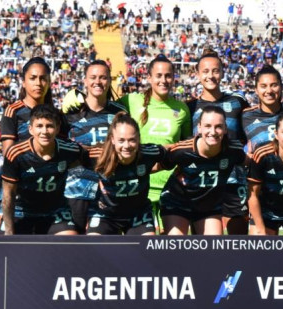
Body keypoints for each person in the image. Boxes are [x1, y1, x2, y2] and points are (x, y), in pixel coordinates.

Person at [118, 54, 191, 230]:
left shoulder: (182, 109)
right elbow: (103, 109)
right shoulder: (131, 101)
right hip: (139, 186)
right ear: (149, 77)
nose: (163, 80)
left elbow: (187, 148)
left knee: (171, 248)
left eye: (168, 75)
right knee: (142, 250)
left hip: (170, 186)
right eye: (158, 75)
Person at [187, 50, 250, 234]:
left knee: (238, 241)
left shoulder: (238, 102)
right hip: (201, 183)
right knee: (207, 246)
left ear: (222, 72)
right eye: (205, 71)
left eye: (215, 71)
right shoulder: (190, 107)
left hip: (233, 179)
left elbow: (249, 133)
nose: (210, 76)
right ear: (197, 74)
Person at [61, 60, 128, 233]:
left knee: (101, 250)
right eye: (93, 77)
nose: (98, 81)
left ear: (110, 81)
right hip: (76, 191)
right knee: (72, 249)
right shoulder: (70, 114)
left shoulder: (120, 113)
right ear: (85, 81)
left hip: (109, 191)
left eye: (103, 77)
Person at [0, 57, 54, 234]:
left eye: (43, 78)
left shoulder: (56, 114)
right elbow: (9, 154)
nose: (38, 83)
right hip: (15, 194)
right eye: (33, 78)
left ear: (49, 82)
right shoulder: (13, 111)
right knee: (5, 253)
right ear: (24, 82)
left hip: (46, 194)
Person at [159, 105, 246, 235]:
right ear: (199, 128)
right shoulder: (182, 150)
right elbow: (155, 166)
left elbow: (254, 162)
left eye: (218, 126)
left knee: (213, 249)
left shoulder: (233, 150)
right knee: (175, 246)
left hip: (209, 206)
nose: (213, 131)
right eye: (208, 126)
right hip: (177, 202)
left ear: (225, 129)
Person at [0, 105, 85, 235]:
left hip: (55, 212)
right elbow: (8, 195)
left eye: (49, 126)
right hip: (22, 211)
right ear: (31, 129)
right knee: (5, 248)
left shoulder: (70, 150)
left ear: (57, 129)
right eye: (39, 126)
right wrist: (9, 231)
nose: (44, 131)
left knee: (70, 240)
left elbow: (92, 158)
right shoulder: (15, 154)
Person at [88, 113, 166, 235]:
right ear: (112, 139)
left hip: (138, 214)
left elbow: (173, 153)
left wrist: (178, 171)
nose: (126, 146)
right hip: (106, 215)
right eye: (121, 140)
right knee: (95, 247)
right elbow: (72, 156)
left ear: (139, 139)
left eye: (132, 140)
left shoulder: (149, 152)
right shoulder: (98, 156)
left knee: (147, 248)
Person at [242, 65, 283, 154]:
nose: (269, 91)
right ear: (256, 90)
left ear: (281, 87)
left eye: (274, 85)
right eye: (263, 86)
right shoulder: (246, 117)